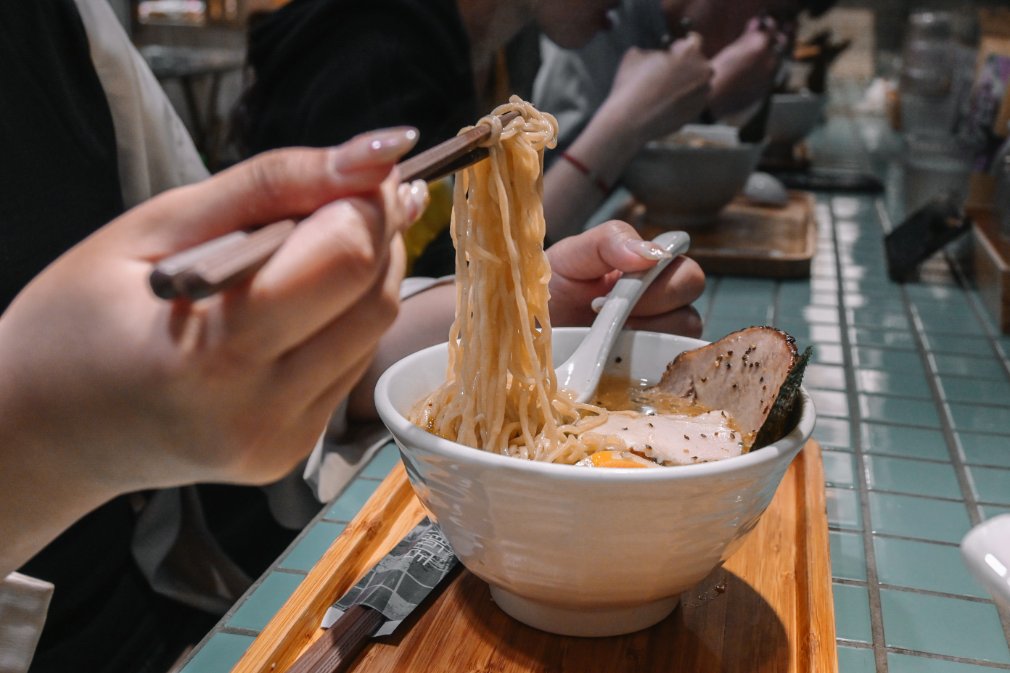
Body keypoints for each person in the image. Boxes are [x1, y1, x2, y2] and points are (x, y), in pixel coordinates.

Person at [233, 0, 714, 276]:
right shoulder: (374, 40)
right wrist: (623, 125)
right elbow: (427, 273)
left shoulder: (498, 48)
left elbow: (480, 245)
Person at [535, 0, 838, 239]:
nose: (770, 40)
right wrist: (705, 102)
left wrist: (702, 106)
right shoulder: (593, 19)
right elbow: (534, 224)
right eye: (772, 15)